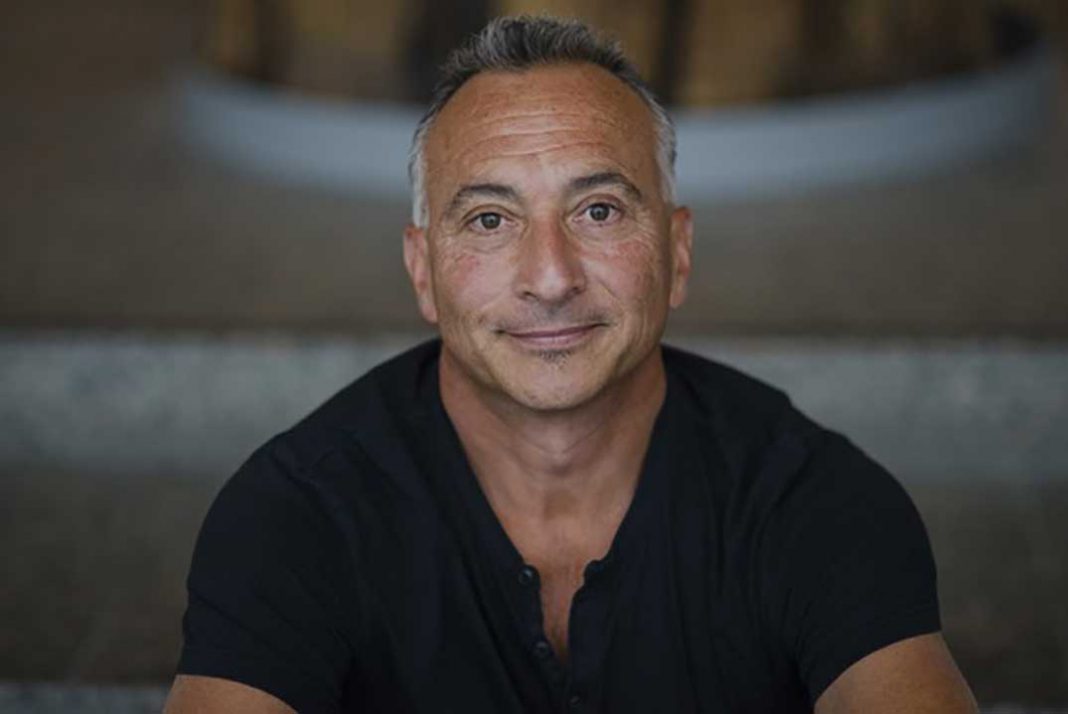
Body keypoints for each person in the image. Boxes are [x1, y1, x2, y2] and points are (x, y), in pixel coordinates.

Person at [164, 15, 978, 714]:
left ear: (677, 251)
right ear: (422, 270)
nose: (551, 277)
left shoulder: (814, 500)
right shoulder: (295, 515)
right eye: (490, 219)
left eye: (598, 210)